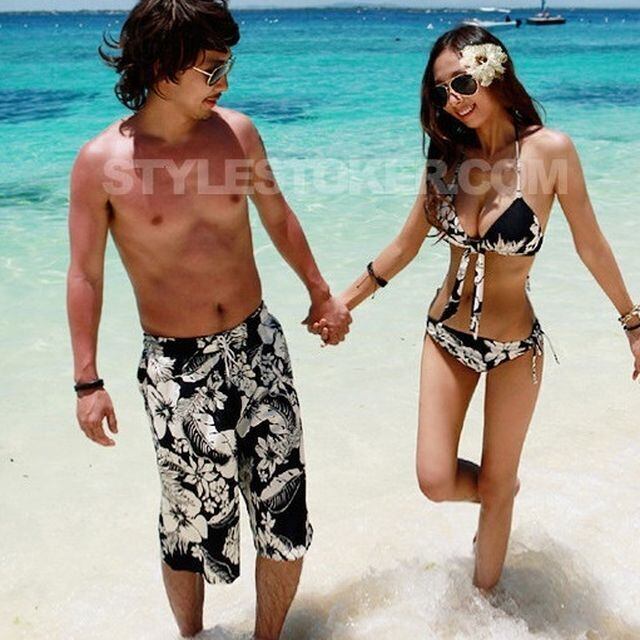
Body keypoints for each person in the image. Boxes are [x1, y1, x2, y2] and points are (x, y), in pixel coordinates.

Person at [313, 25, 640, 592]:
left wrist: (632, 322)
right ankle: (498, 491)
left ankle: (487, 606)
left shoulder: (550, 151)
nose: (453, 100)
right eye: (441, 92)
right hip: (446, 338)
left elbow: (591, 245)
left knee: (496, 488)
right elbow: (404, 246)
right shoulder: (447, 159)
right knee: (435, 479)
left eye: (462, 83)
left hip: (516, 348)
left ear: (494, 72)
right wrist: (341, 301)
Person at [66, 1, 350, 637]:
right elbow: (85, 275)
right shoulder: (101, 164)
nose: (225, 81)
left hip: (258, 345)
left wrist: (321, 293)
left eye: (227, 66)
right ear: (163, 68)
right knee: (189, 524)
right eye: (212, 69)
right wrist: (88, 382)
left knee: (285, 513)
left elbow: (278, 216)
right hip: (176, 368)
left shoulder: (237, 134)